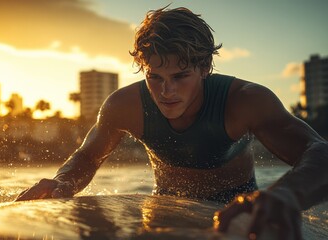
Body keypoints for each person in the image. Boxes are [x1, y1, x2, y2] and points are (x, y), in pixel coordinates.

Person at [16, 6, 328, 240]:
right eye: (155, 77)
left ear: (204, 67)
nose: (166, 92)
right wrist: (64, 181)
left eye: (180, 76)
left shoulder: (245, 101)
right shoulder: (124, 106)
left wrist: (287, 193)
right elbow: (87, 155)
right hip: (165, 207)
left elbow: (318, 151)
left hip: (239, 210)